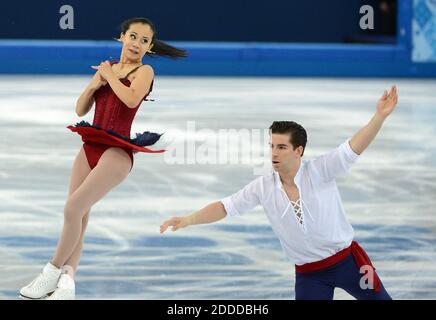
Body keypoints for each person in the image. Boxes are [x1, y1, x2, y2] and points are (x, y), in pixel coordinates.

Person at [160, 86, 398, 300]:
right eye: (272, 146)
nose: (274, 153)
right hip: (309, 275)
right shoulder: (263, 187)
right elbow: (226, 206)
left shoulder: (320, 170)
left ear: (299, 150)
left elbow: (352, 148)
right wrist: (188, 219)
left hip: (348, 264)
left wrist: (379, 116)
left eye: (282, 147)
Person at [19, 17, 187, 300]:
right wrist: (94, 84)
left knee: (72, 209)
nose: (137, 43)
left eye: (144, 40)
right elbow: (81, 108)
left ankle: (50, 273)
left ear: (149, 47)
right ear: (122, 37)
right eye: (133, 36)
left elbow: (131, 100)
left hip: (117, 151)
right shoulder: (109, 68)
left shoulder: (144, 71)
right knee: (79, 216)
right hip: (90, 146)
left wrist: (109, 77)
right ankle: (67, 283)